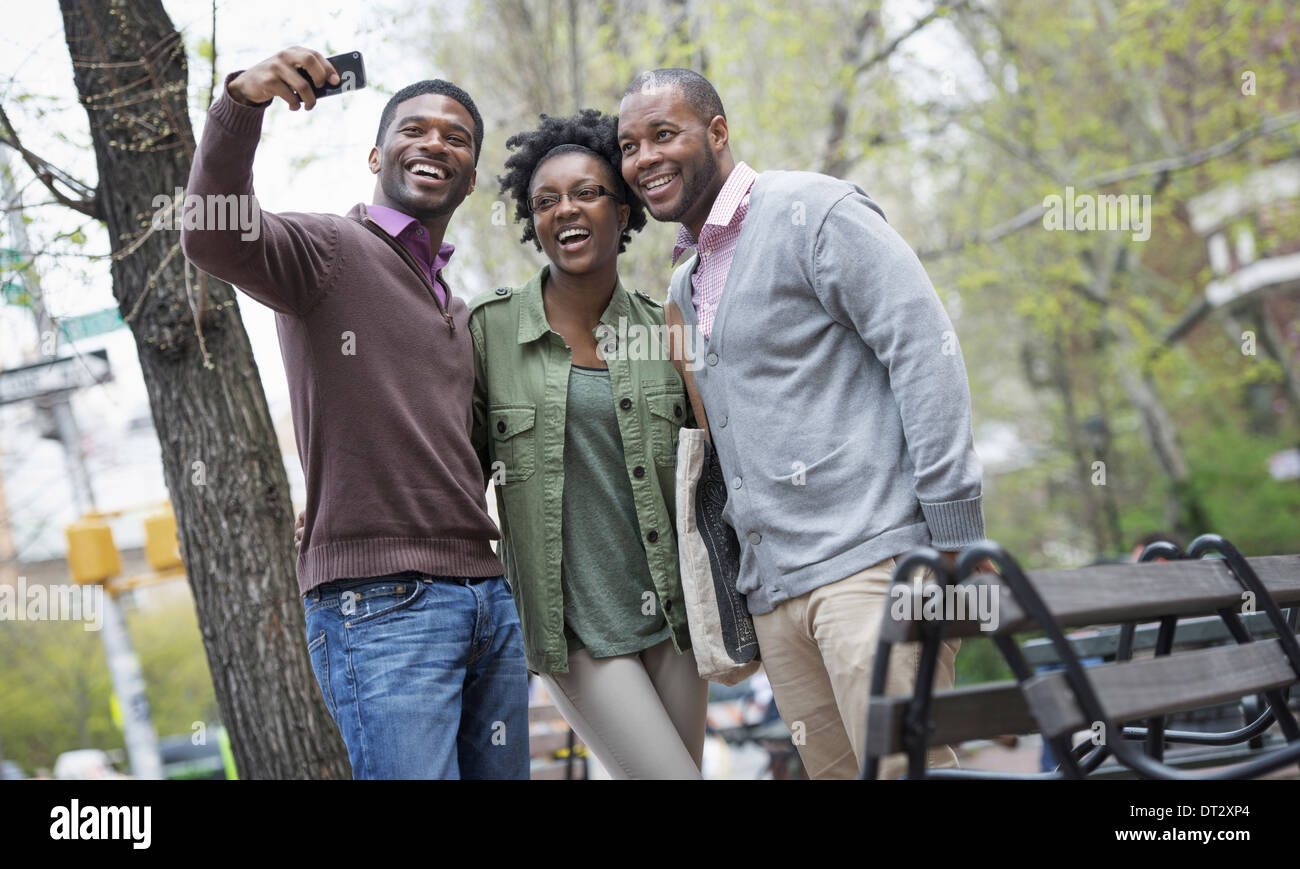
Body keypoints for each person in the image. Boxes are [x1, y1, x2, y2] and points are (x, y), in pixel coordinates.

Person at [617, 69, 987, 780]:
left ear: (717, 132)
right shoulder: (681, 289)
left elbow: (924, 348)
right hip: (778, 600)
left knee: (909, 772)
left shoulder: (812, 210)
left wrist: (956, 536)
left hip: (874, 568)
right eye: (631, 145)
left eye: (665, 134)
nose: (644, 159)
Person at [182, 46, 528, 779]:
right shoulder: (328, 251)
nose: (435, 141)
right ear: (376, 154)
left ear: (470, 176)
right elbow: (212, 235)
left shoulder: (457, 309)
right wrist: (240, 103)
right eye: (414, 129)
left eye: (456, 137)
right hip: (382, 604)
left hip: (487, 599)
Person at [468, 109, 709, 778]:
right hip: (576, 631)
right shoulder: (490, 332)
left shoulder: (666, 327)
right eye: (545, 200)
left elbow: (712, 461)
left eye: (585, 193)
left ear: (623, 209)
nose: (564, 210)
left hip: (676, 616)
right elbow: (446, 464)